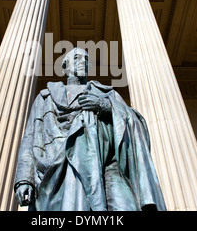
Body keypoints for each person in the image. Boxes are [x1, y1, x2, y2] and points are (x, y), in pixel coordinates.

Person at [14, 48, 166, 211]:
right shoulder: (46, 97)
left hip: (106, 167)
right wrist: (24, 179)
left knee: (126, 206)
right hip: (58, 169)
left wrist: (105, 106)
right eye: (77, 58)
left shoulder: (107, 94)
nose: (83, 61)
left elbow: (134, 122)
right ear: (65, 66)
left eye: (86, 59)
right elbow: (29, 139)